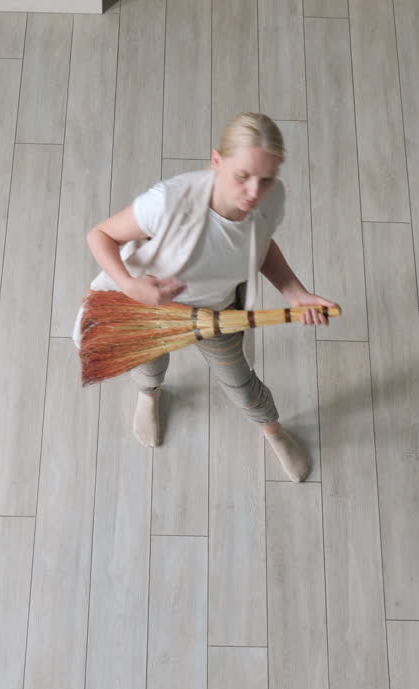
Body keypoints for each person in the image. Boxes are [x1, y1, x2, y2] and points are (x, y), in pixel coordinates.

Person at [75, 112, 336, 482]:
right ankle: (150, 394)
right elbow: (100, 235)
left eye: (265, 179)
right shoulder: (168, 202)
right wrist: (130, 286)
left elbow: (261, 245)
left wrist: (295, 292)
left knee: (242, 387)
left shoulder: (270, 199)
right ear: (217, 161)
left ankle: (272, 429)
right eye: (242, 176)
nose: (254, 192)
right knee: (148, 367)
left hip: (219, 313)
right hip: (151, 309)